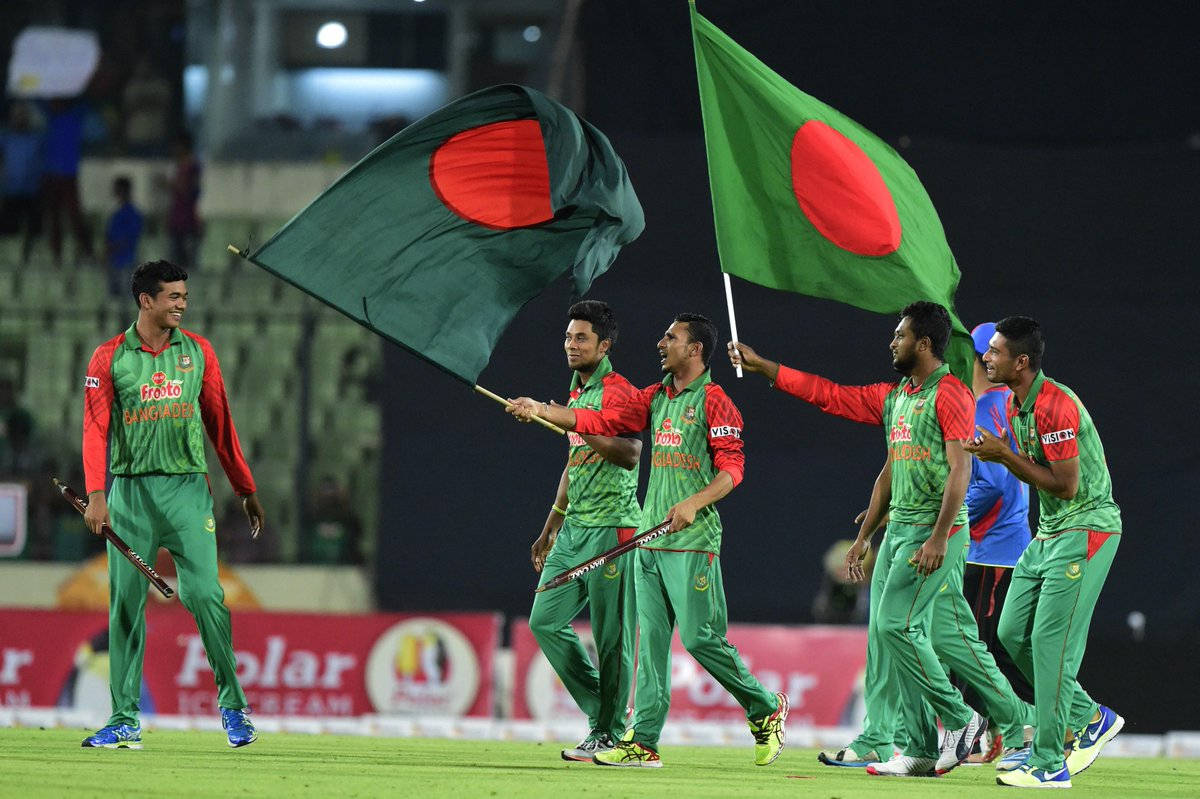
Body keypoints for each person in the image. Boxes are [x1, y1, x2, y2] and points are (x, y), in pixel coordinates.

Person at [729, 301, 1026, 777]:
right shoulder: (899, 397)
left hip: (934, 535)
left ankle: (961, 718)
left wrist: (937, 538)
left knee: (896, 630)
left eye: (900, 335)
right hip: (899, 531)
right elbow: (840, 406)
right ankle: (934, 745)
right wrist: (866, 534)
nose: (892, 342)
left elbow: (960, 470)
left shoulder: (949, 394)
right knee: (931, 639)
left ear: (924, 344)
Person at [509, 313, 788, 768]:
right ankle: (644, 743)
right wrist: (542, 409)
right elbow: (597, 419)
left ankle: (764, 707)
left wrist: (695, 503)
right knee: (651, 646)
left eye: (671, 337)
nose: (660, 343)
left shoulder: (717, 402)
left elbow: (733, 470)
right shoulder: (655, 398)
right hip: (649, 540)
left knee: (699, 640)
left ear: (695, 349)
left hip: (694, 539)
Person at [80, 259, 264, 749]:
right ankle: (123, 719)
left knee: (206, 595)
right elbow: (94, 429)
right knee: (125, 605)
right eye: (174, 297)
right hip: (130, 494)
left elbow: (221, 426)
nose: (183, 303)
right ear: (147, 301)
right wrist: (97, 494)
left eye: (184, 295)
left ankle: (234, 709)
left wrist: (245, 490)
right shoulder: (109, 358)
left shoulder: (199, 352)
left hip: (186, 492)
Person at [967, 316, 1124, 789]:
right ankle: (1090, 717)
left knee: (1052, 647)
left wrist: (1003, 456)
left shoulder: (1055, 405)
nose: (986, 358)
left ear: (1021, 361)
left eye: (994, 352)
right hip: (1049, 533)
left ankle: (1050, 761)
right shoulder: (1015, 405)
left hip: (1086, 530)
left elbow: (1066, 484)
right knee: (1013, 633)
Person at [527, 300, 643, 762]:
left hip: (614, 529)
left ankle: (610, 732)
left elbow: (631, 453)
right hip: (575, 529)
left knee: (612, 636)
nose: (570, 346)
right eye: (568, 337)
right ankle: (607, 714)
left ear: (605, 345)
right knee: (544, 621)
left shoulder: (619, 392)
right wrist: (551, 523)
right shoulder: (575, 393)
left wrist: (572, 421)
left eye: (581, 338)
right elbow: (574, 462)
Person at [960, 322, 1035, 766]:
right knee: (994, 649)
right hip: (1005, 548)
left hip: (990, 550)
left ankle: (1027, 730)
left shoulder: (984, 409)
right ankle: (1007, 733)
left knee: (980, 650)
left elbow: (990, 483)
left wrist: (946, 522)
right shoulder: (1008, 405)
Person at [41, 98, 95, 266]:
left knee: (74, 216)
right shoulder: (50, 116)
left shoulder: (75, 115)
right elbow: (36, 99)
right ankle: (57, 255)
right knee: (54, 217)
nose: (54, 104)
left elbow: (86, 101)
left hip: (68, 175)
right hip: (51, 175)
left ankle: (87, 252)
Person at [0, 102, 44, 264]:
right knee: (8, 232)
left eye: (22, 115)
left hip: (32, 192)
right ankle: (9, 264)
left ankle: (29, 262)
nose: (19, 118)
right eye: (16, 115)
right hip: (11, 192)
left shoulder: (36, 138)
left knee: (35, 232)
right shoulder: (5, 137)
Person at [165, 133, 202, 270]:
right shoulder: (179, 167)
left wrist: (170, 184)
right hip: (177, 222)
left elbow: (187, 190)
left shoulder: (192, 167)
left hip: (188, 223)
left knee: (188, 265)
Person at [105, 176, 144, 299]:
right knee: (114, 299)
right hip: (114, 263)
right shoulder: (116, 214)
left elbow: (130, 238)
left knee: (125, 300)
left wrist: (112, 247)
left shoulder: (133, 214)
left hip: (127, 263)